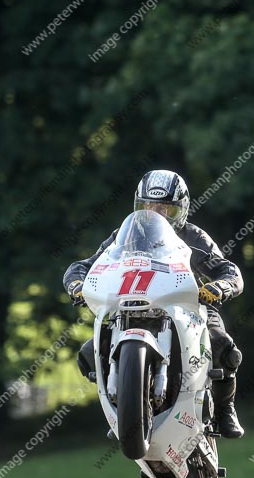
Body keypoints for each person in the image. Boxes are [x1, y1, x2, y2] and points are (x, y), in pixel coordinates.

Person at [63, 169, 244, 438]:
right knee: (89, 354)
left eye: (165, 210)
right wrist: (77, 284)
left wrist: (218, 287)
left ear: (181, 209)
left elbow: (229, 271)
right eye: (148, 207)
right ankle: (122, 409)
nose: (156, 215)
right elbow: (85, 265)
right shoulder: (122, 236)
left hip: (189, 307)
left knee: (223, 346)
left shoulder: (194, 237)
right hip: (131, 305)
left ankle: (224, 409)